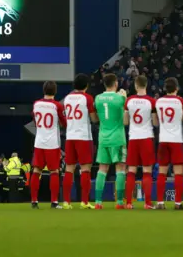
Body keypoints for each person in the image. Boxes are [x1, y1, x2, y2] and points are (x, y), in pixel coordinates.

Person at [62, 73, 98, 210]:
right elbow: (94, 119)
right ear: (86, 86)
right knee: (85, 169)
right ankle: (84, 201)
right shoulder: (87, 98)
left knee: (69, 169)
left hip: (70, 136)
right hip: (83, 136)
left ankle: (66, 202)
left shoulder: (67, 98)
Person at [123, 75, 157, 209]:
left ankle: (129, 203)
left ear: (136, 86)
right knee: (147, 171)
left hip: (133, 138)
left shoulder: (129, 101)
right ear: (146, 85)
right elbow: (155, 122)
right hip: (146, 137)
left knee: (131, 170)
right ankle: (147, 203)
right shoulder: (151, 101)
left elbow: (125, 122)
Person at [93, 74, 127, 209]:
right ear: (116, 83)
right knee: (120, 169)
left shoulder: (98, 98)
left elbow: (96, 116)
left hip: (103, 138)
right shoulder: (120, 98)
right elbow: (125, 115)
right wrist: (124, 96)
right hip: (118, 138)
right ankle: (119, 202)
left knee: (102, 169)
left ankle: (98, 202)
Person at [30, 81, 66, 209]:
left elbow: (35, 120)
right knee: (54, 171)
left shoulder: (36, 104)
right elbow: (64, 123)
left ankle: (34, 201)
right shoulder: (57, 106)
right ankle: (54, 202)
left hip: (39, 141)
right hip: (52, 143)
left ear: (43, 90)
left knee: (36, 170)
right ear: (55, 91)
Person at [155, 77, 183, 210]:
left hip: (163, 139)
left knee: (162, 172)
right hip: (176, 140)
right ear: (177, 88)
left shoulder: (158, 101)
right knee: (178, 173)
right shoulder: (181, 101)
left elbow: (156, 121)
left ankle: (159, 202)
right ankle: (178, 203)